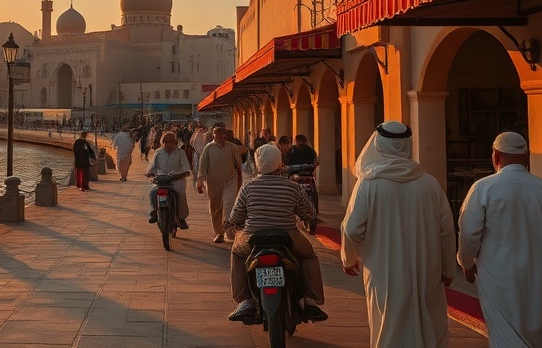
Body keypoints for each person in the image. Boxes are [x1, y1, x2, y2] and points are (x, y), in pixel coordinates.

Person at [340, 121, 456, 348]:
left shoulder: (368, 184)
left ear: (379, 145)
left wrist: (349, 258)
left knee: (387, 328)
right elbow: (447, 229)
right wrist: (448, 269)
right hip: (426, 272)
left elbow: (351, 229)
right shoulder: (430, 184)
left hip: (384, 275)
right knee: (428, 326)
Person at [457, 131, 542, 348]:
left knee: (505, 334)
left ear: (496, 155)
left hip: (500, 277)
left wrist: (466, 263)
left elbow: (468, 232)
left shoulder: (484, 188)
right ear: (526, 156)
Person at [225, 144, 328, 323]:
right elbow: (308, 213)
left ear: (258, 164)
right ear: (279, 164)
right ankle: (310, 300)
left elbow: (236, 216)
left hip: (252, 237)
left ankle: (245, 300)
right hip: (288, 236)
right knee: (308, 256)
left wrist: (238, 224)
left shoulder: (249, 187)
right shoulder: (292, 187)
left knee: (237, 253)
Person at [195, 123, 245, 243]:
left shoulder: (231, 147)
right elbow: (202, 166)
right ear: (214, 135)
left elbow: (240, 158)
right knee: (215, 208)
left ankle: (228, 229)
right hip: (213, 182)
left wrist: (240, 176)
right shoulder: (209, 148)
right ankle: (218, 233)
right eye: (218, 134)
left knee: (229, 203)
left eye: (223, 134)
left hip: (230, 180)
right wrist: (200, 182)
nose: (221, 136)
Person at [145, 131, 191, 229]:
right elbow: (152, 166)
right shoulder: (158, 152)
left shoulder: (180, 153)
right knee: (153, 192)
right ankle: (155, 211)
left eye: (171, 141)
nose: (168, 143)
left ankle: (181, 218)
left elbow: (186, 167)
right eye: (166, 141)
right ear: (163, 142)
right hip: (161, 179)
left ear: (175, 142)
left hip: (176, 179)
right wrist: (150, 173)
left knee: (181, 196)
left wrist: (180, 174)